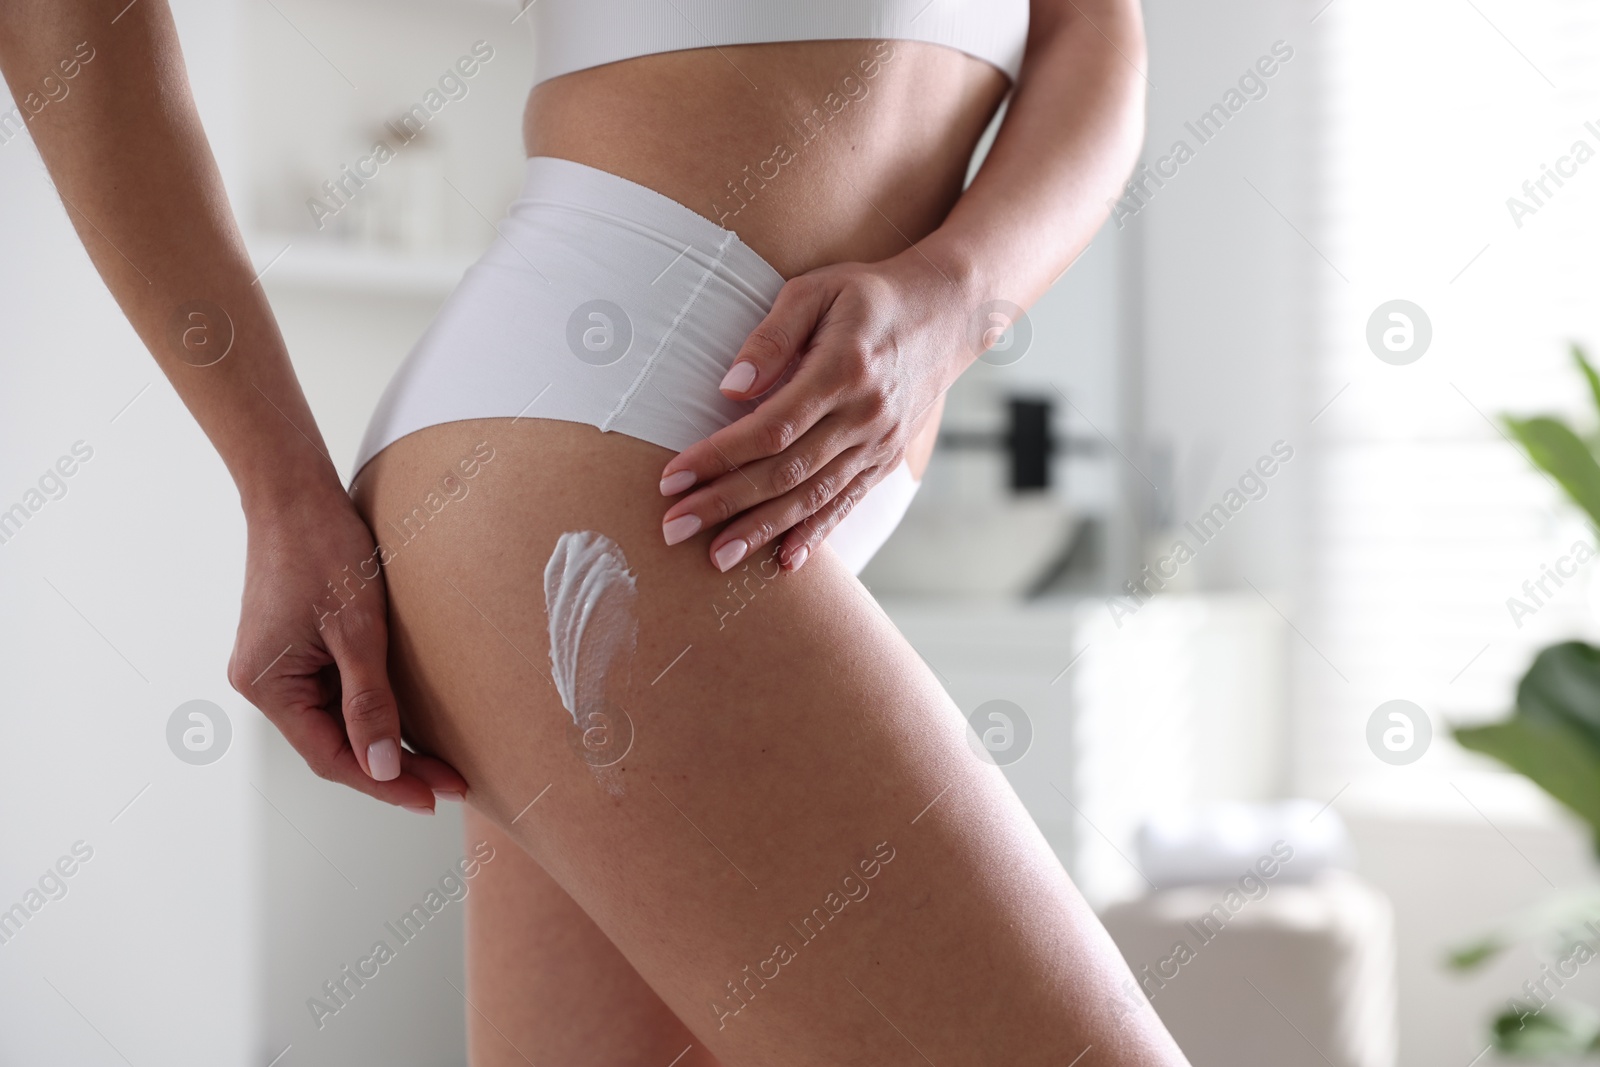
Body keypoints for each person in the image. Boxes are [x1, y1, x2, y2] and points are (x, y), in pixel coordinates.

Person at [1, 1, 1189, 1063]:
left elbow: (1094, 30)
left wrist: (954, 296)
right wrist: (278, 488)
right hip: (597, 458)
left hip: (736, 495)